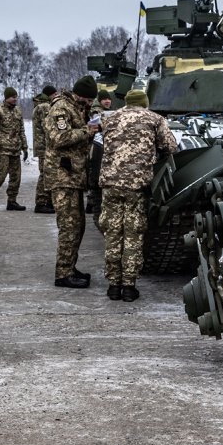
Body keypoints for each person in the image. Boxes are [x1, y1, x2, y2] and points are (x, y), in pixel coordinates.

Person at [97, 88, 177, 301]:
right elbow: (170, 147)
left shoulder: (110, 118)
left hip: (110, 183)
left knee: (113, 232)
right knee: (133, 234)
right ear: (144, 102)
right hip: (136, 185)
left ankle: (113, 285)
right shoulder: (154, 118)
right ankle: (129, 287)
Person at [48, 76, 101, 287]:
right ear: (80, 95)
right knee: (69, 226)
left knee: (78, 226)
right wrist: (86, 131)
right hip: (63, 176)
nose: (89, 104)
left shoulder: (76, 108)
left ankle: (69, 266)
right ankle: (63, 274)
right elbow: (59, 138)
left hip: (74, 176)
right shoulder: (61, 108)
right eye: (88, 100)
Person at [0, 87, 28, 210]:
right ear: (7, 97)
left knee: (16, 177)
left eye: (16, 97)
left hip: (15, 148)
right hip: (2, 149)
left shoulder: (18, 111)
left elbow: (21, 130)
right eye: (13, 97)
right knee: (1, 175)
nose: (15, 99)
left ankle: (12, 201)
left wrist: (25, 147)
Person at [32, 83, 57, 213]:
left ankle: (46, 201)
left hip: (43, 145)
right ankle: (41, 202)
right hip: (45, 146)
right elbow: (48, 126)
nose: (56, 97)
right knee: (45, 174)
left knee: (46, 173)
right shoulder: (44, 107)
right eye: (54, 94)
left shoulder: (41, 105)